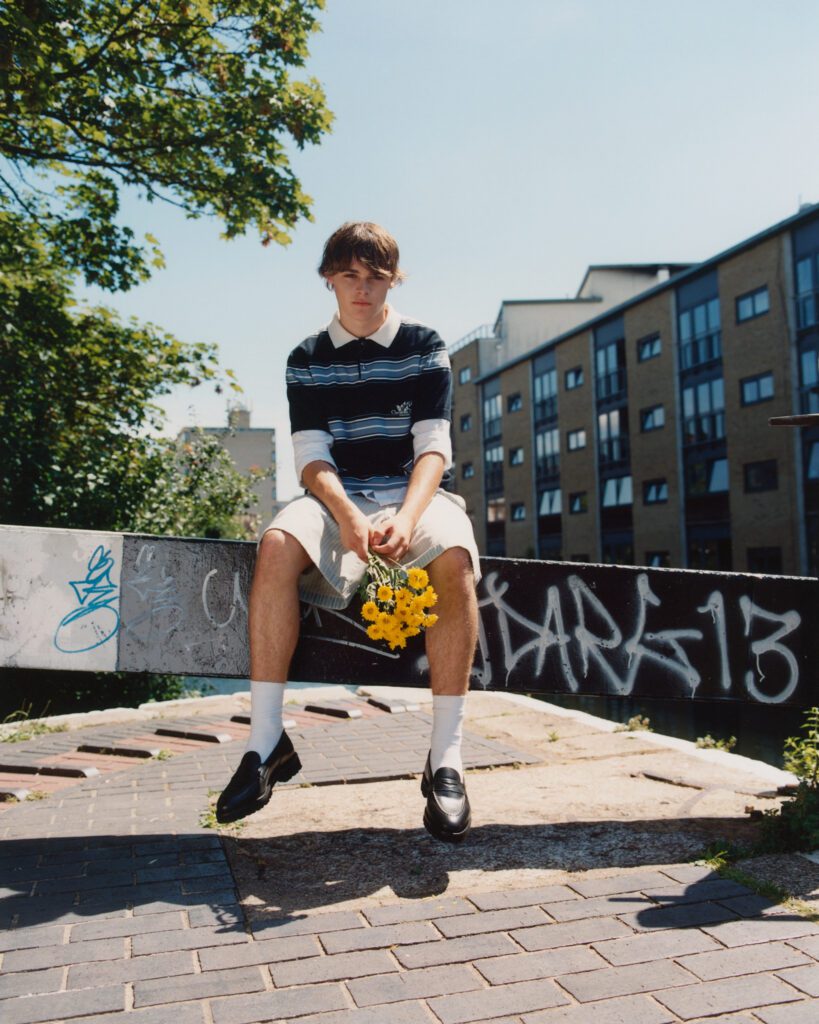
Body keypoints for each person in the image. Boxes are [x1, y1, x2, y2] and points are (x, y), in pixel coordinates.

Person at [216, 222, 480, 843]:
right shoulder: (306, 358)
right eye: (350, 276)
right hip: (337, 496)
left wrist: (407, 517)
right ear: (329, 279)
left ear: (393, 281)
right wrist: (347, 515)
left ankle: (446, 757)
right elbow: (312, 458)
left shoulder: (424, 345)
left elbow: (434, 448)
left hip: (414, 493)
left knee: (454, 558)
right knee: (276, 545)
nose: (363, 290)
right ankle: (265, 745)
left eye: (376, 277)